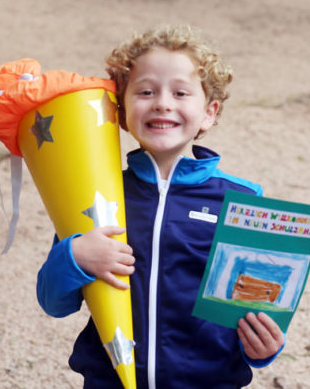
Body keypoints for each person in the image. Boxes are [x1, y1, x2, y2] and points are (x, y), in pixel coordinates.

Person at [37, 25, 285, 388]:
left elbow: (256, 305)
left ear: (209, 112)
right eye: (146, 91)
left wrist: (263, 347)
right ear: (121, 111)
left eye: (181, 92)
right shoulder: (92, 194)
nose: (162, 103)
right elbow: (53, 301)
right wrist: (74, 255)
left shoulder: (242, 202)